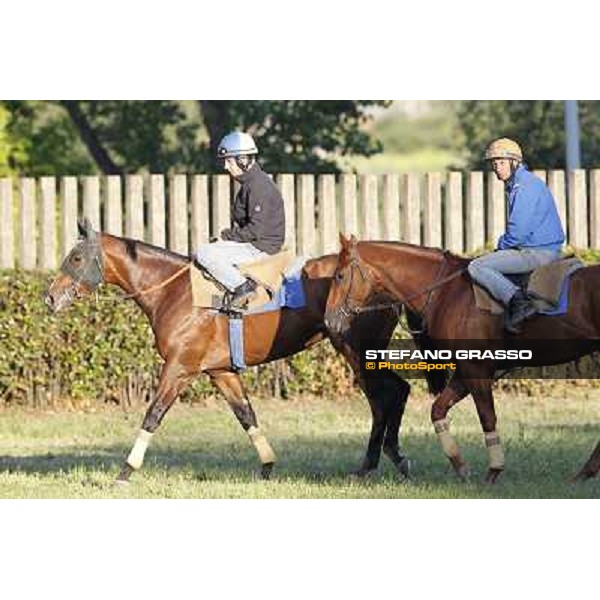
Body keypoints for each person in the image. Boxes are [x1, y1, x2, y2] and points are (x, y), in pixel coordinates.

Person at [468, 138, 565, 333]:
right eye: (494, 164)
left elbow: (517, 233)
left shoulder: (524, 186)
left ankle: (518, 301)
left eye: (501, 162)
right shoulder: (519, 183)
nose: (497, 168)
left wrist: (500, 248)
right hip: (536, 249)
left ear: (515, 162)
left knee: (477, 265)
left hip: (536, 253)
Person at [195, 131, 285, 308]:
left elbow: (256, 230)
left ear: (243, 160)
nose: (226, 167)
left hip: (260, 248)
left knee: (204, 254)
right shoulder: (251, 184)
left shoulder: (259, 186)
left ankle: (243, 287)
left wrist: (227, 236)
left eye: (229, 161)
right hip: (254, 243)